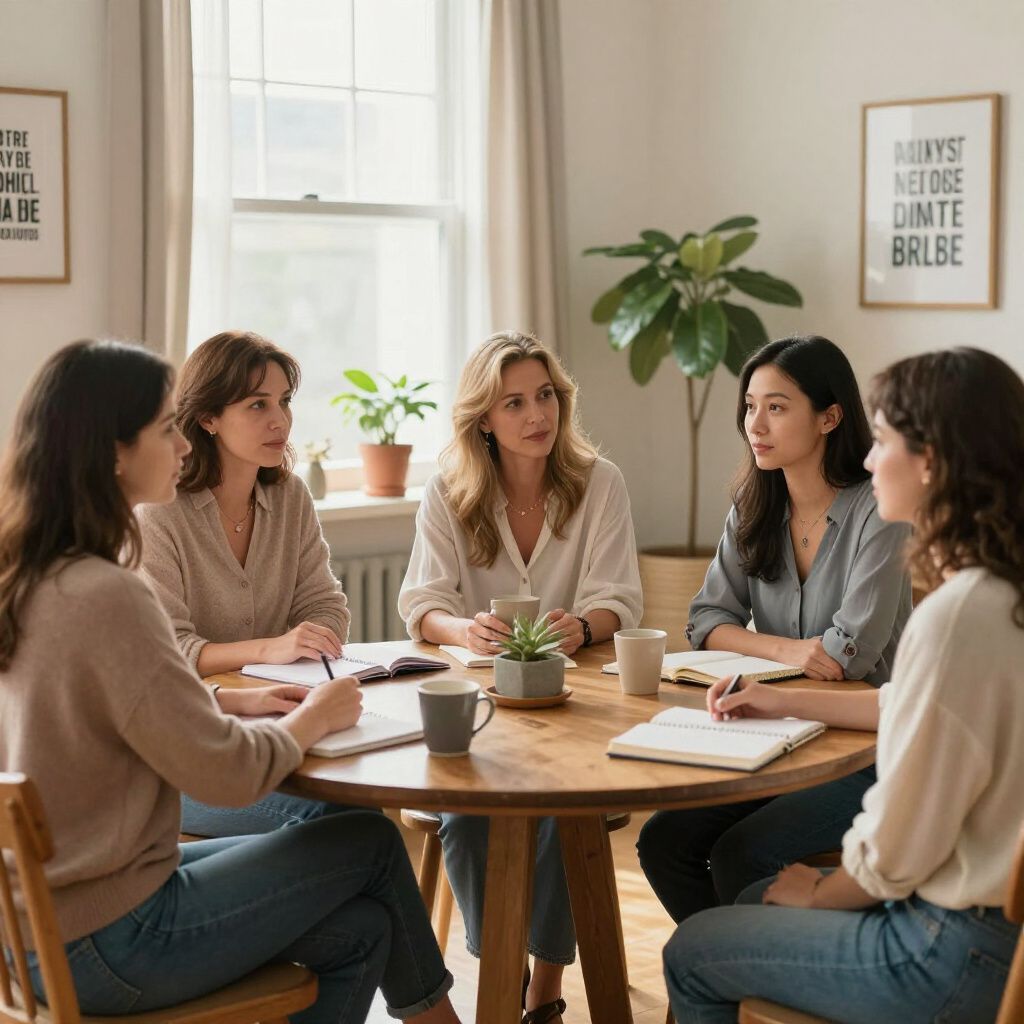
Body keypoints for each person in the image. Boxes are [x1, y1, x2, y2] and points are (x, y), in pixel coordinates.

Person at [0, 339, 462, 1023]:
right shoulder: (109, 595)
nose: (183, 447)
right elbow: (224, 777)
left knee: (364, 928)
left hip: (42, 929)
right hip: (111, 938)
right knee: (368, 841)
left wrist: (229, 698)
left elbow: (138, 716)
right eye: (166, 429)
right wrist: (314, 717)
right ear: (114, 451)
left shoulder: (30, 574)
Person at [663, 346, 1024, 1023]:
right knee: (746, 896)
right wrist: (782, 695)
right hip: (996, 933)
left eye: (882, 440)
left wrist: (825, 891)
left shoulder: (959, 615)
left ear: (932, 463)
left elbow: (897, 846)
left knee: (692, 948)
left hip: (950, 948)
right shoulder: (1001, 594)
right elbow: (913, 706)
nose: (867, 460)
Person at [398, 331, 643, 1022]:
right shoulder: (448, 493)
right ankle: (498, 963)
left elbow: (619, 598)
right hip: (482, 705)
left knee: (568, 807)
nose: (538, 415)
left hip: (579, 701)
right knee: (470, 815)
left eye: (545, 397)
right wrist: (461, 630)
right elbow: (423, 603)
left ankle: (544, 986)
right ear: (484, 418)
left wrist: (586, 626)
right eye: (515, 402)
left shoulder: (601, 482)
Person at [638, 336, 912, 923]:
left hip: (864, 752)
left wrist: (786, 654)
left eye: (777, 407)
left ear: (829, 417)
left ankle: (742, 990)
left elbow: (848, 656)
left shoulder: (879, 509)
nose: (755, 424)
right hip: (774, 733)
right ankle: (724, 989)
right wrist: (789, 648)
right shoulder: (753, 506)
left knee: (743, 853)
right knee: (663, 841)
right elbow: (705, 620)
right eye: (749, 405)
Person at [137, 330, 352, 837]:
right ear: (209, 418)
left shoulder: (291, 496)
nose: (280, 421)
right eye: (258, 405)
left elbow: (326, 604)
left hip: (275, 721)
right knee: (342, 822)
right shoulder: (160, 513)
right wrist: (271, 649)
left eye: (284, 401)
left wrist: (311, 637)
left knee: (355, 808)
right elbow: (171, 651)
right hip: (185, 758)